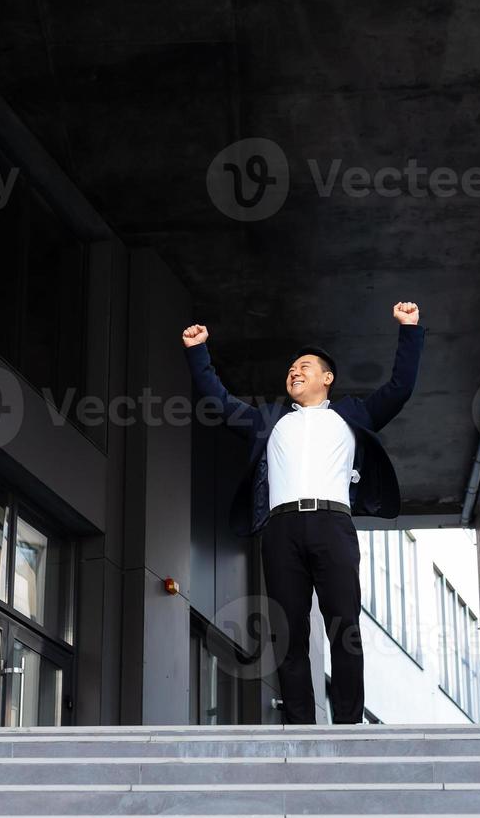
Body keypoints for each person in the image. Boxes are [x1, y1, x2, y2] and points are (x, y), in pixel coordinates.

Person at [181, 303, 425, 724]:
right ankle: (299, 725)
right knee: (288, 632)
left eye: (305, 366)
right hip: (281, 530)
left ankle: (348, 725)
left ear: (327, 378)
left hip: (333, 525)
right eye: (291, 368)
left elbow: (400, 387)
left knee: (343, 627)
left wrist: (409, 329)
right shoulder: (268, 420)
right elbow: (217, 401)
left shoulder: (352, 415)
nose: (295, 372)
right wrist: (198, 350)